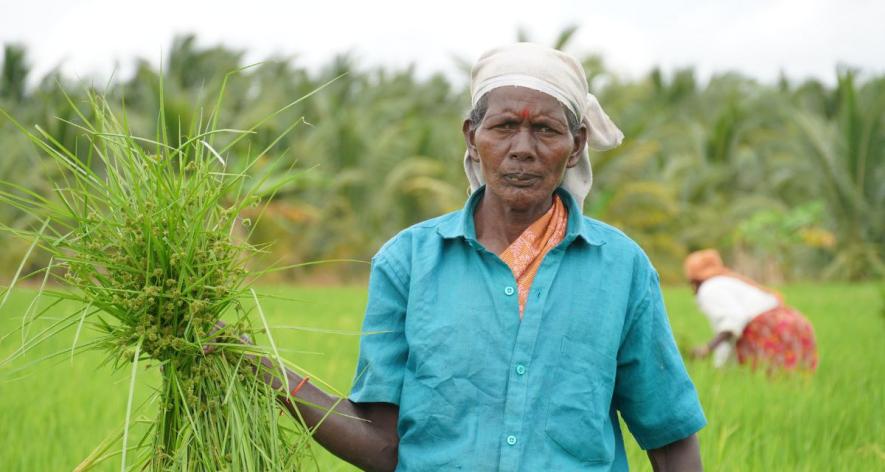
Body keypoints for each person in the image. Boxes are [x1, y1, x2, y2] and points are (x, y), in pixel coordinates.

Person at [255, 43, 706, 471]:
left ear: (577, 145)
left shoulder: (621, 269)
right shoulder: (407, 263)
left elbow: (670, 437)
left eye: (546, 129)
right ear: (472, 137)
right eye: (505, 126)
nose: (523, 148)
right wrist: (258, 366)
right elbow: (381, 444)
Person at [685, 249, 818, 371]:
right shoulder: (728, 281)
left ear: (693, 280)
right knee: (796, 380)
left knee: (772, 384)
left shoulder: (709, 288)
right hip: (795, 324)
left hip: (771, 330)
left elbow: (732, 322)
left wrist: (707, 349)